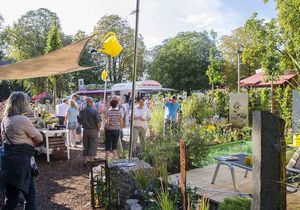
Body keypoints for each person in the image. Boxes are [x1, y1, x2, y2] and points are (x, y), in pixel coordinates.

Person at [0, 92, 43, 210]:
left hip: (7, 163)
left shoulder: (5, 120)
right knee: (30, 197)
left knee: (11, 201)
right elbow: (39, 138)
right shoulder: (21, 119)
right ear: (21, 104)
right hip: (21, 163)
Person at [78, 97, 101, 164]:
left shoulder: (81, 111)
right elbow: (98, 122)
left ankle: (85, 160)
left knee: (85, 145)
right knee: (93, 145)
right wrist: (98, 129)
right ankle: (91, 160)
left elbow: (79, 122)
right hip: (93, 130)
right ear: (91, 102)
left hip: (85, 130)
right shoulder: (95, 111)